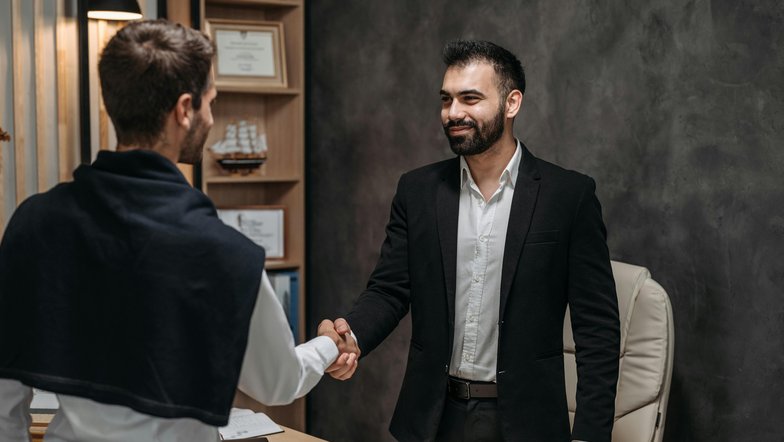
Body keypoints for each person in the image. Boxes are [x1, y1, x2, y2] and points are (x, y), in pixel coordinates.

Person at [0, 19, 356, 441]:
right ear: (185, 110)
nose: (210, 115)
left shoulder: (34, 222)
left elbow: (5, 398)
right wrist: (330, 344)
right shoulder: (224, 252)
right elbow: (277, 382)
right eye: (210, 102)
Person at [329, 40, 620, 441]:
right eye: (446, 100)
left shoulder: (568, 197)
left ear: (511, 103)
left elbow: (597, 329)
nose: (453, 113)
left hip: (526, 423)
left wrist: (590, 434)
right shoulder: (417, 191)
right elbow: (389, 289)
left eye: (470, 98)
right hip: (432, 418)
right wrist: (353, 336)